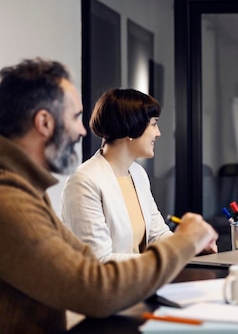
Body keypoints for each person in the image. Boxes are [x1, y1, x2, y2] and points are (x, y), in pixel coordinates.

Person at [0, 58, 219, 333]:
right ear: (44, 122)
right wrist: (184, 243)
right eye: (75, 117)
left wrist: (185, 244)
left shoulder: (26, 190)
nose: (83, 130)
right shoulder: (10, 200)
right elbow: (95, 287)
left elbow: (83, 259)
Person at [61, 88, 173, 262]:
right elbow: (99, 259)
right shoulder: (84, 180)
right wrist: (155, 262)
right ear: (131, 126)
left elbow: (157, 235)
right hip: (105, 288)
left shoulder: (138, 173)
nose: (158, 133)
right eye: (153, 124)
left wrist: (191, 245)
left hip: (139, 284)